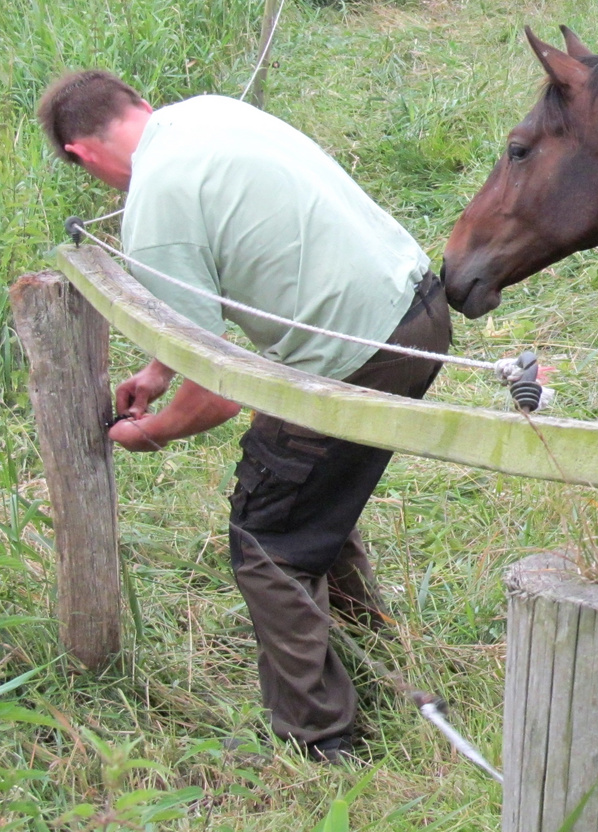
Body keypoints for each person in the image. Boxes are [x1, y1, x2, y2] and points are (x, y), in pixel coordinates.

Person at [36, 70, 451, 763]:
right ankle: (368, 650)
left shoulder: (154, 205)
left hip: (355, 358)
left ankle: (318, 738)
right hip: (418, 312)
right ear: (137, 103)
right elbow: (224, 270)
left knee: (267, 539)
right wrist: (160, 368)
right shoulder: (209, 115)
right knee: (310, 493)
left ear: (80, 154)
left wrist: (153, 429)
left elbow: (221, 393)